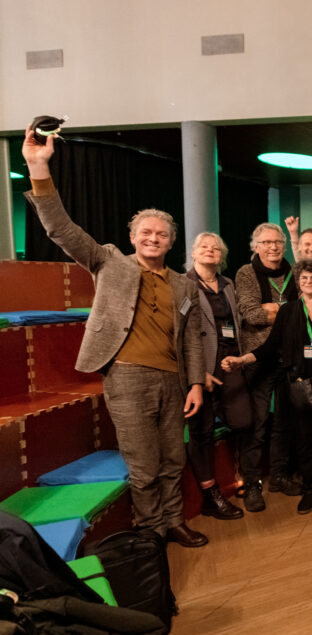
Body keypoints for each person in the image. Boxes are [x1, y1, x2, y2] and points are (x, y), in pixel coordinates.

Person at [22, 127, 208, 547]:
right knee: (143, 465)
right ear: (132, 238)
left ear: (171, 242)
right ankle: (150, 532)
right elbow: (61, 230)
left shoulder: (184, 285)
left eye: (161, 234)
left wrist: (195, 382)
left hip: (173, 381)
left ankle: (174, 521)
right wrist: (39, 168)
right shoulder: (109, 262)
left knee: (172, 459)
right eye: (146, 232)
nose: (153, 238)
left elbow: (193, 338)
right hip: (126, 378)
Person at [222, 260, 312, 515]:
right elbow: (270, 347)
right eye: (304, 278)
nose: (309, 281)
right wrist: (242, 360)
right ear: (299, 283)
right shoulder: (289, 311)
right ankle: (310, 489)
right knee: (303, 441)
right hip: (299, 383)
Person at [184, 232, 250, 520]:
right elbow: (182, 334)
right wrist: (198, 375)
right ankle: (211, 495)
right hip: (201, 365)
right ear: (193, 253)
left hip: (231, 360)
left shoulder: (228, 284)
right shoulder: (183, 284)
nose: (210, 251)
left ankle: (243, 477)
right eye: (204, 247)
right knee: (202, 431)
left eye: (215, 248)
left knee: (243, 420)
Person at [235, 222, 302, 498]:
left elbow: (306, 309)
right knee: (258, 423)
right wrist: (288, 312)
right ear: (256, 246)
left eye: (277, 242)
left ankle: (279, 476)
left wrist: (275, 310)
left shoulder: (295, 272)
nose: (273, 247)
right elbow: (252, 314)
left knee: (285, 423)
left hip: (289, 357)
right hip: (258, 358)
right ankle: (251, 483)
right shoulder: (246, 273)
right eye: (266, 242)